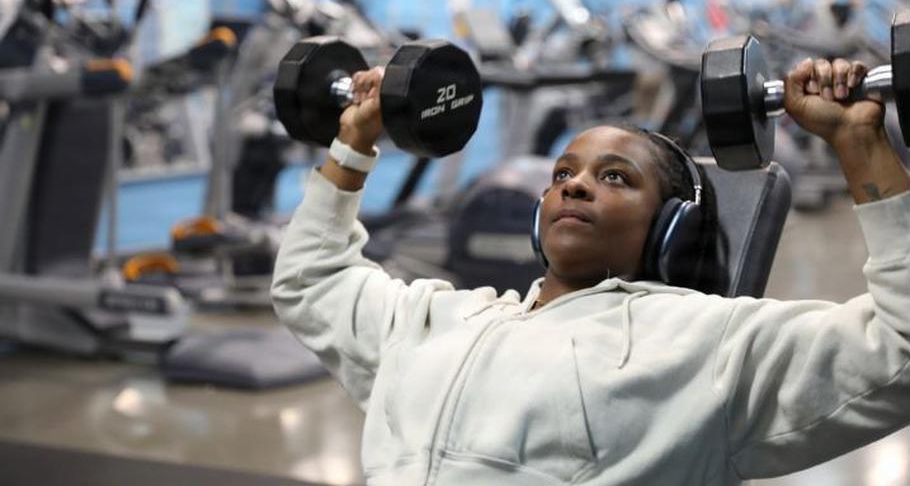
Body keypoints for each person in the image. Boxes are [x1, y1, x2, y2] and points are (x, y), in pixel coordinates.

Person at [271, 57, 910, 485]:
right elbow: (310, 281)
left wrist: (860, 144)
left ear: (671, 226)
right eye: (562, 175)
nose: (574, 187)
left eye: (614, 178)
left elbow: (899, 350)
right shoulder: (439, 317)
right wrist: (353, 140)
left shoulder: (701, 344)